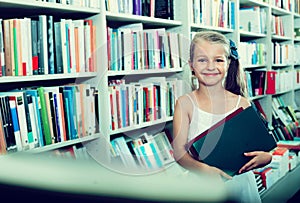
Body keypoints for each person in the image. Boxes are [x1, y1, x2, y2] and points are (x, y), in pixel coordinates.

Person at [172, 31, 272, 202]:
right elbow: (179, 152)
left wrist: (266, 157)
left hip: (241, 186)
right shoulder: (184, 104)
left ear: (227, 64)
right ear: (191, 65)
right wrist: (204, 170)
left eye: (218, 60)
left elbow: (259, 146)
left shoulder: (242, 103)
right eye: (202, 60)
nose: (210, 66)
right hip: (204, 186)